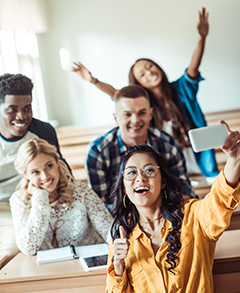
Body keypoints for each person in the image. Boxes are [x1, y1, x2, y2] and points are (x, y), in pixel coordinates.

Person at [72, 7, 218, 179]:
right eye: (142, 74)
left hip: (197, 159)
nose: (149, 72)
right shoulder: (143, 103)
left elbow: (193, 67)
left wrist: (202, 38)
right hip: (168, 163)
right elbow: (115, 93)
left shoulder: (181, 89)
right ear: (138, 82)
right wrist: (93, 80)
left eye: (150, 66)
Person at [104, 122, 240, 293]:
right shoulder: (121, 237)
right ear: (124, 187)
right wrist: (118, 265)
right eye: (131, 173)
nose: (140, 178)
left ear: (163, 182)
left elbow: (220, 198)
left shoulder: (192, 217)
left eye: (149, 170)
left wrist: (234, 159)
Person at [86, 85, 196, 211]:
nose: (135, 120)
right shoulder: (98, 152)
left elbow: (183, 188)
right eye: (127, 114)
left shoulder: (167, 144)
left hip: (164, 214)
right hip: (120, 219)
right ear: (116, 118)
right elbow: (99, 206)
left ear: (150, 114)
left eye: (142, 113)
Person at [9, 138, 113, 256]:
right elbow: (28, 248)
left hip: (86, 264)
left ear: (57, 162)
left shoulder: (81, 191)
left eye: (49, 166)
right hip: (47, 270)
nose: (45, 176)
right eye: (35, 172)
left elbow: (109, 229)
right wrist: (40, 198)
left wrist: (117, 246)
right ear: (26, 174)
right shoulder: (18, 201)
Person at [0, 73, 70, 203]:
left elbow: (63, 173)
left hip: (36, 203)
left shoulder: (43, 132)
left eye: (27, 108)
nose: (21, 116)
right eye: (12, 110)